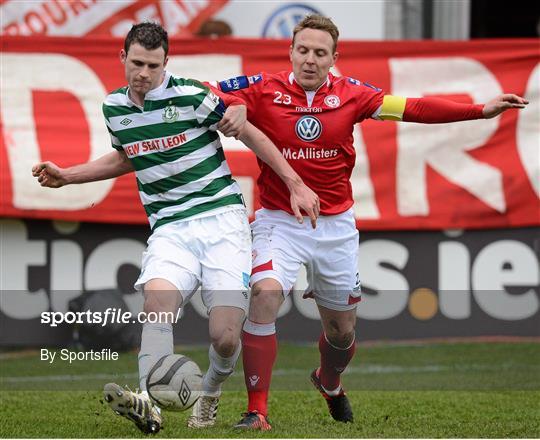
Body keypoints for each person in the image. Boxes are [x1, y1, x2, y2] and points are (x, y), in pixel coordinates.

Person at [215, 14, 529, 430]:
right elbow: (207, 91)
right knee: (265, 293)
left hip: (336, 227)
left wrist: (479, 110)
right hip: (279, 219)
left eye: (320, 53)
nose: (310, 59)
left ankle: (328, 381)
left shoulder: (353, 95)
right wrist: (235, 104)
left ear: (334, 58)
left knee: (342, 334)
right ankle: (258, 411)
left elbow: (413, 108)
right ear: (290, 51)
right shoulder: (262, 89)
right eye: (303, 50)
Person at [31, 22, 319, 434]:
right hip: (170, 227)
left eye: (152, 65)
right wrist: (68, 176)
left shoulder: (190, 95)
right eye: (136, 63)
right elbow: (128, 157)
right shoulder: (114, 107)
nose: (143, 73)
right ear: (123, 59)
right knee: (157, 305)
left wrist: (295, 183)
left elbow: (251, 133)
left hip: (222, 222)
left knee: (224, 337)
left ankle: (212, 391)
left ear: (166, 62)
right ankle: (149, 403)